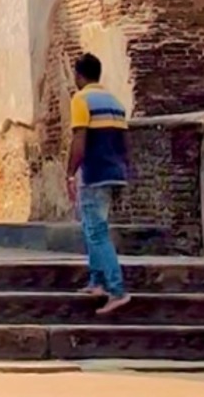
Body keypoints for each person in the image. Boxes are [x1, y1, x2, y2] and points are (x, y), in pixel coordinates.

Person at [68, 52, 131, 315]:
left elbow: (79, 138)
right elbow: (126, 142)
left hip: (95, 173)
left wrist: (70, 172)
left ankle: (117, 290)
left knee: (96, 231)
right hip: (116, 171)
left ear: (79, 76)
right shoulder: (115, 101)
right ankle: (96, 281)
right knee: (91, 226)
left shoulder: (81, 99)